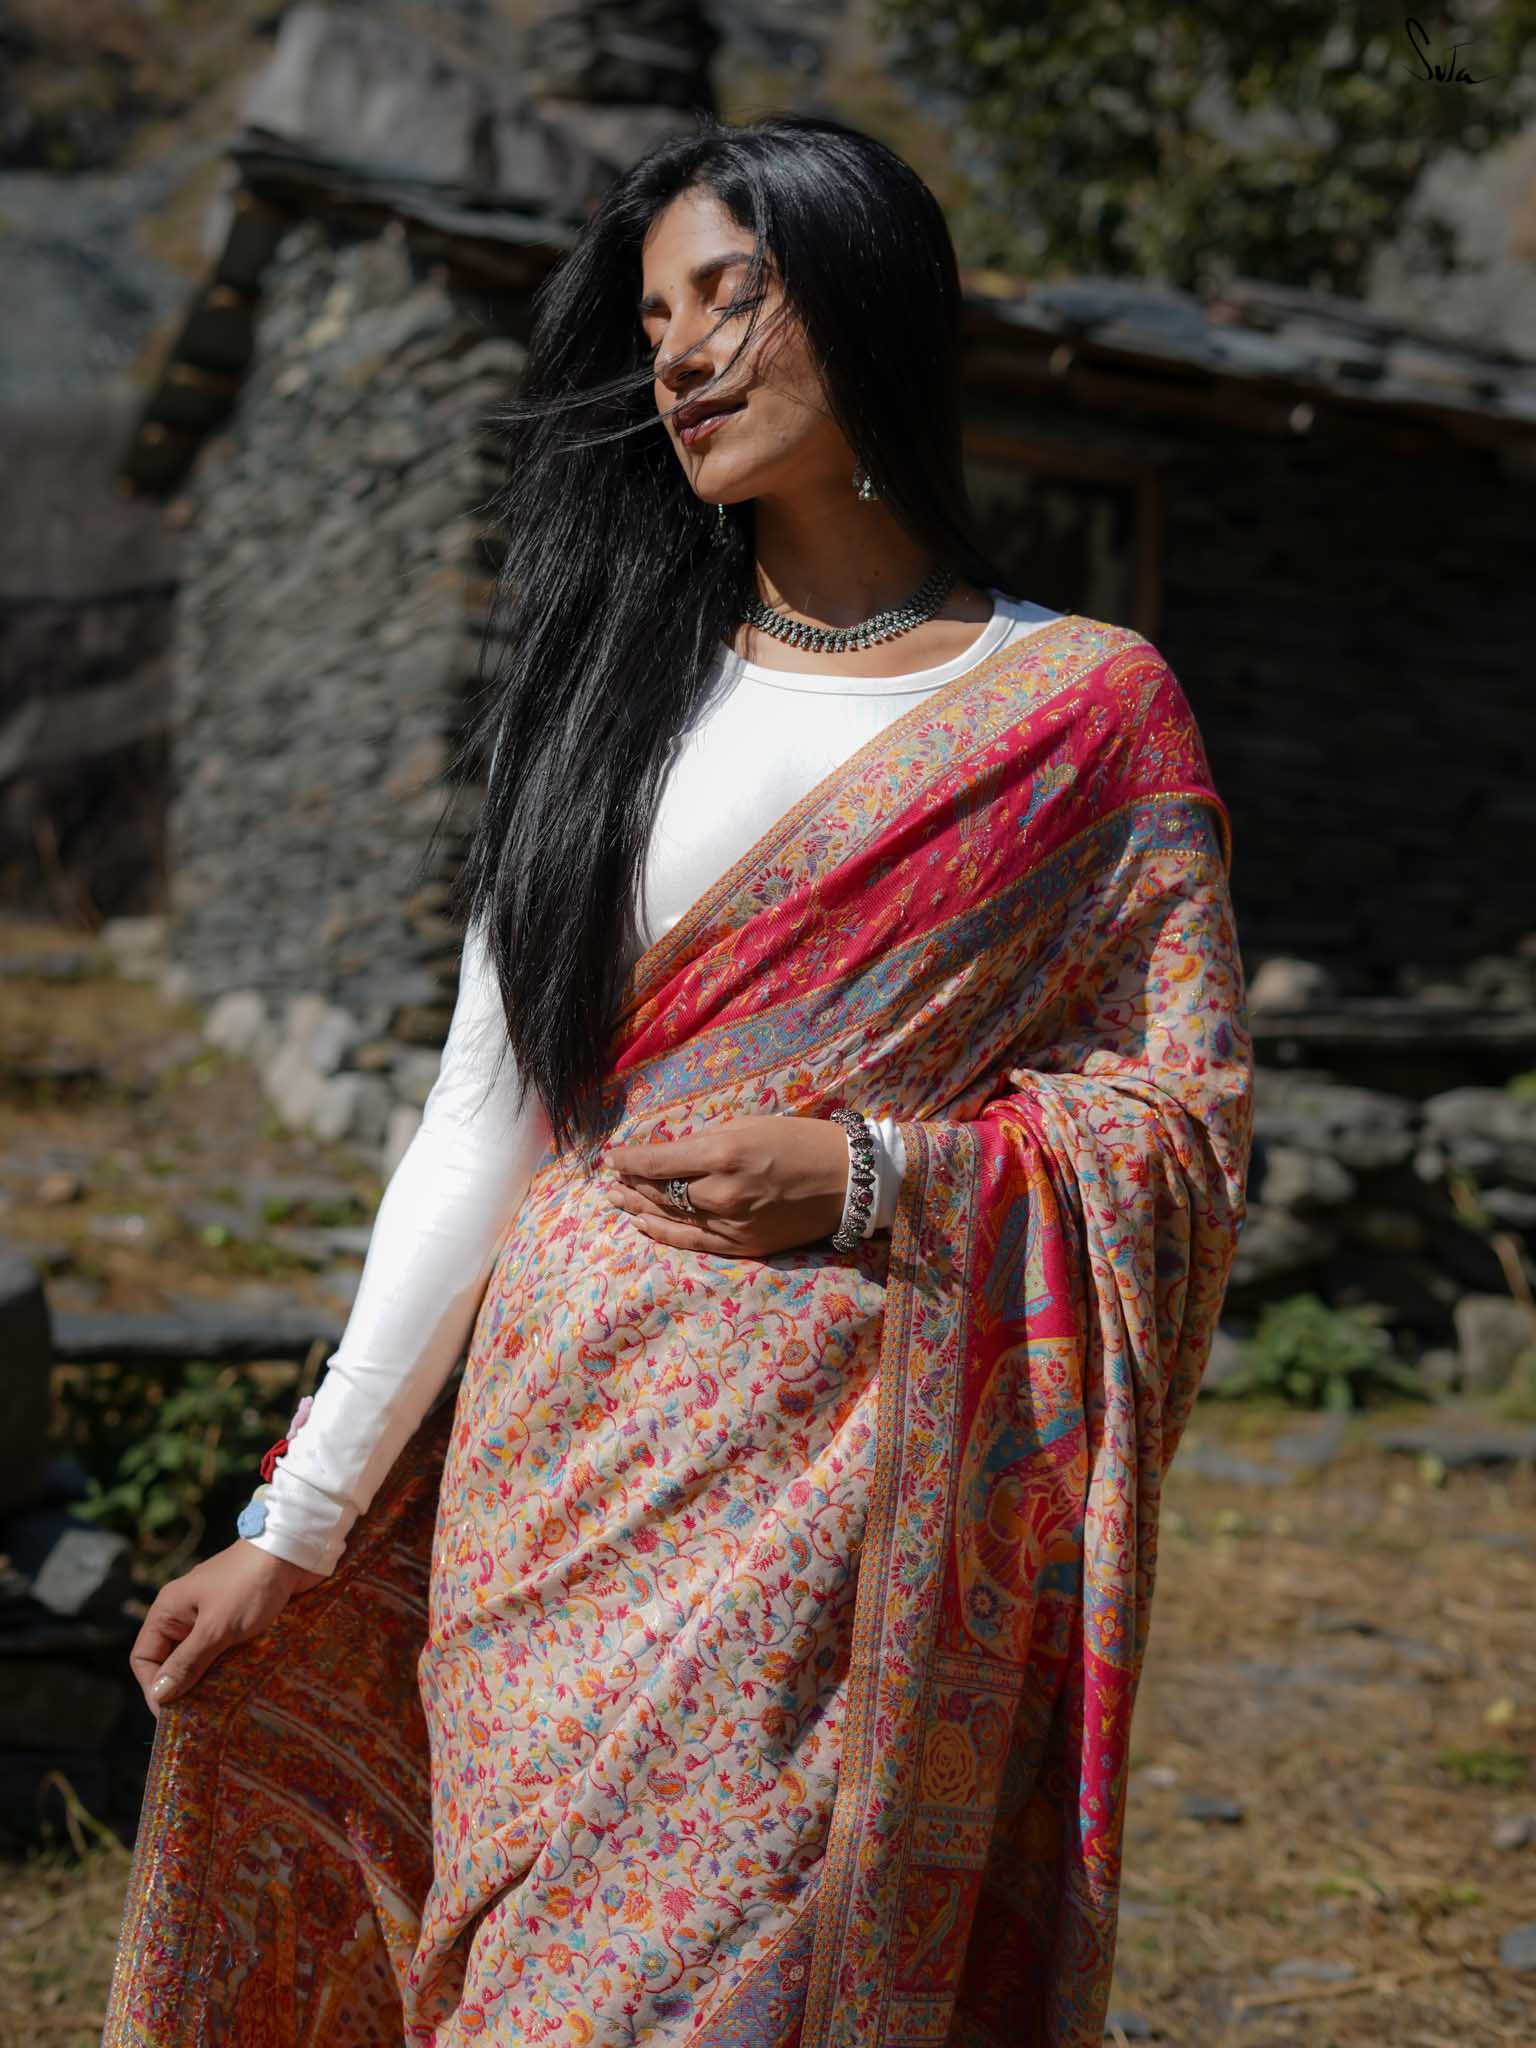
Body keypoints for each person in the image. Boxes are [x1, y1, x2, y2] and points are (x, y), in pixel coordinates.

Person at [107, 112, 1253, 2048]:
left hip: (833, 1498)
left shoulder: (1083, 708)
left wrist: (879, 1175)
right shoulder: (611, 694)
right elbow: (481, 1124)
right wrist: (298, 1521)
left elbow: (1180, 1120)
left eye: (735, 295)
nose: (686, 356)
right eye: (653, 322)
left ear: (870, 299)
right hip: (555, 1476)